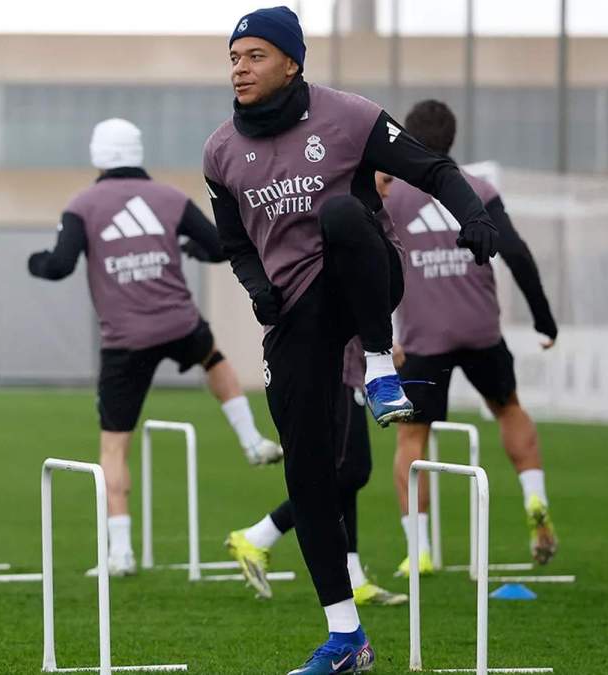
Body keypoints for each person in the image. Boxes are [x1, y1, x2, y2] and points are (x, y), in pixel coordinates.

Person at [202, 8, 497, 673]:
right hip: (296, 313)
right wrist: (257, 287)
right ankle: (346, 638)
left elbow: (433, 168)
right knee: (313, 474)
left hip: (366, 276)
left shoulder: (351, 117)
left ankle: (375, 367)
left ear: (291, 62)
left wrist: (473, 213)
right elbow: (233, 242)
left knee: (341, 212)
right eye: (234, 57)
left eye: (254, 55)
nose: (240, 68)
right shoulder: (221, 149)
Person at [28, 117, 281, 576]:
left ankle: (120, 553)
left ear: (97, 155)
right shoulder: (169, 198)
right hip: (179, 321)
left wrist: (38, 263)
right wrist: (196, 251)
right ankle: (250, 440)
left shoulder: (84, 204)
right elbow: (223, 244)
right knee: (213, 357)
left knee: (114, 448)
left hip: (125, 339)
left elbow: (60, 265)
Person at [386, 100, 558, 577]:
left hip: (423, 340)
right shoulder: (478, 188)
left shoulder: (394, 196)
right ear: (452, 139)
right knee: (509, 410)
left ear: (410, 141)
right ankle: (535, 499)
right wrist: (544, 319)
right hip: (482, 332)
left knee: (412, 437)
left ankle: (419, 549)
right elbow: (517, 253)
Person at [226, 173, 405, 606]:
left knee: (348, 473)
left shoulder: (365, 216)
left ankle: (354, 576)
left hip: (352, 361)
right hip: (337, 362)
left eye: (392, 180)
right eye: (383, 178)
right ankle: (257, 535)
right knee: (348, 470)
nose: (388, 188)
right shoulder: (339, 217)